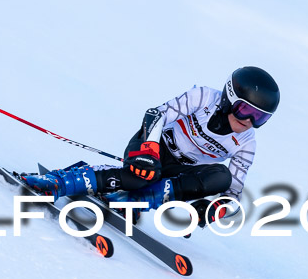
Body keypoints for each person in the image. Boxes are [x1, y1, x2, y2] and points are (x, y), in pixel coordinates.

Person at [22, 66, 280, 227]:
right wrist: (148, 150)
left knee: (220, 177)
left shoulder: (246, 144)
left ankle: (131, 202)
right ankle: (60, 182)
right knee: (140, 176)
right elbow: (156, 115)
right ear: (229, 97)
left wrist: (214, 209)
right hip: (153, 145)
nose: (248, 121)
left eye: (260, 118)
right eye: (245, 109)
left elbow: (232, 195)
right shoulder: (203, 97)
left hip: (179, 171)